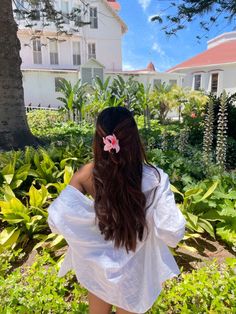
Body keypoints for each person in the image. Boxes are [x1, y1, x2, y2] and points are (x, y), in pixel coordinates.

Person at [47, 106, 186, 314]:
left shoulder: (87, 174)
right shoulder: (156, 179)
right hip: (136, 271)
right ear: (134, 139)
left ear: (98, 140)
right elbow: (171, 231)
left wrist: (88, 224)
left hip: (99, 266)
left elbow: (56, 219)